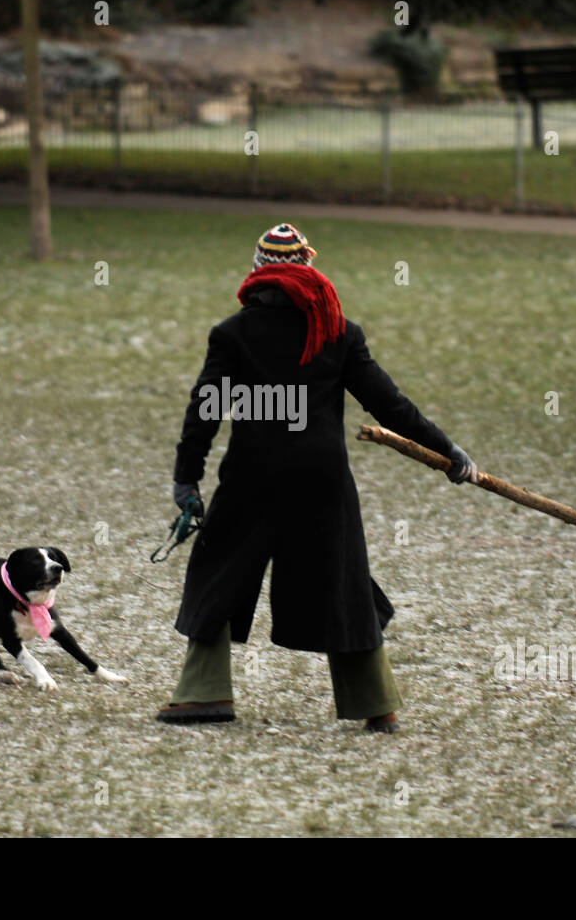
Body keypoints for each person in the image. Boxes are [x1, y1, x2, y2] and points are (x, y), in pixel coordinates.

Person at [156, 223, 476, 733]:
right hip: (321, 482)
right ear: (307, 267)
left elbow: (205, 410)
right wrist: (446, 449)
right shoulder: (338, 331)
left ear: (259, 272)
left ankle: (202, 695)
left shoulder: (233, 333)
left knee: (218, 575)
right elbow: (388, 403)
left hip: (251, 479)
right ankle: (377, 706)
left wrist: (186, 479)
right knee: (342, 586)